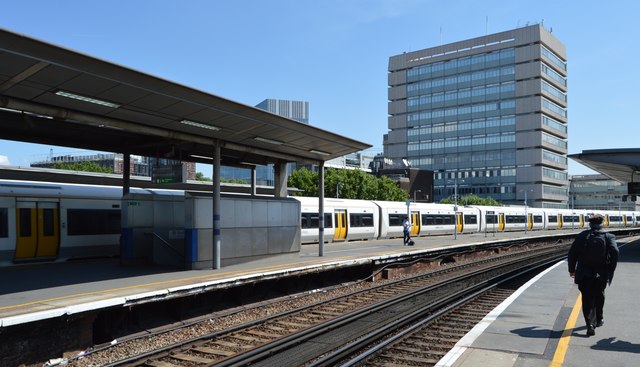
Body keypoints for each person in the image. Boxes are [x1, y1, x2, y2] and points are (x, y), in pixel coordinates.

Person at [567, 213, 619, 336]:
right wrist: (611, 269)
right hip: (601, 273)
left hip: (584, 273)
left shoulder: (581, 236)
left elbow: (572, 254)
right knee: (599, 295)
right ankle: (599, 319)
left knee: (586, 298)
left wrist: (571, 270)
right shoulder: (609, 237)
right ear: (602, 223)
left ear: (590, 224)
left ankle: (589, 323)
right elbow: (615, 252)